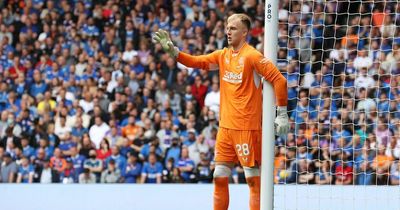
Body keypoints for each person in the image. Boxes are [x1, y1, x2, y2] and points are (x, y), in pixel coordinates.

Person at [153, 13, 289, 210]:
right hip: (225, 129)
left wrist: (282, 113)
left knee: (252, 180)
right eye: (227, 27)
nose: (228, 30)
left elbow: (279, 80)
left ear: (244, 33)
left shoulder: (252, 56)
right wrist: (175, 52)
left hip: (246, 129)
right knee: (218, 177)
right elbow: (197, 62)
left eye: (233, 28)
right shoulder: (222, 56)